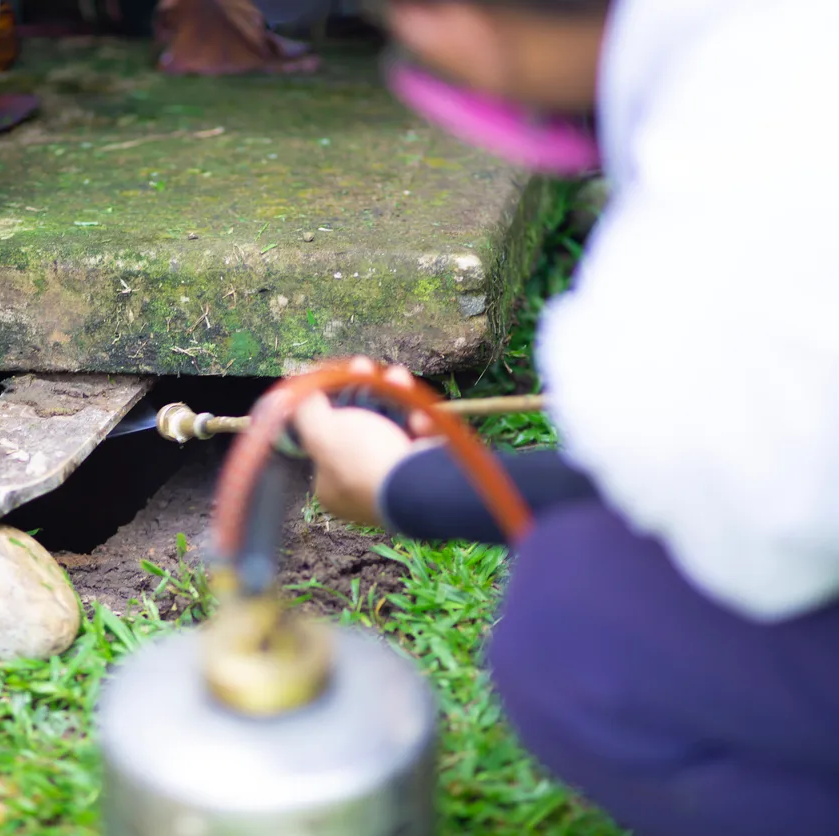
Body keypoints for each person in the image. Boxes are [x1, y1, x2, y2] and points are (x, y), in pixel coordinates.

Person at [290, 1, 839, 834]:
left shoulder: (743, 178)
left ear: (438, 17)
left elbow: (758, 513)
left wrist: (405, 485)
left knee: (582, 624)